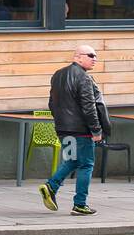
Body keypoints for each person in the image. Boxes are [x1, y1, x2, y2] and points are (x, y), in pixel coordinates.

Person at [39, 44, 104, 216]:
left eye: (95, 56)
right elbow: (89, 107)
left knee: (72, 161)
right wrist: (96, 131)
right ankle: (80, 204)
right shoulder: (83, 78)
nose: (94, 59)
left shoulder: (58, 75)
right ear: (78, 57)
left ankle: (51, 186)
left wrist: (60, 122)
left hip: (63, 129)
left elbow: (51, 103)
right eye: (91, 55)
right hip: (81, 130)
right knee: (86, 164)